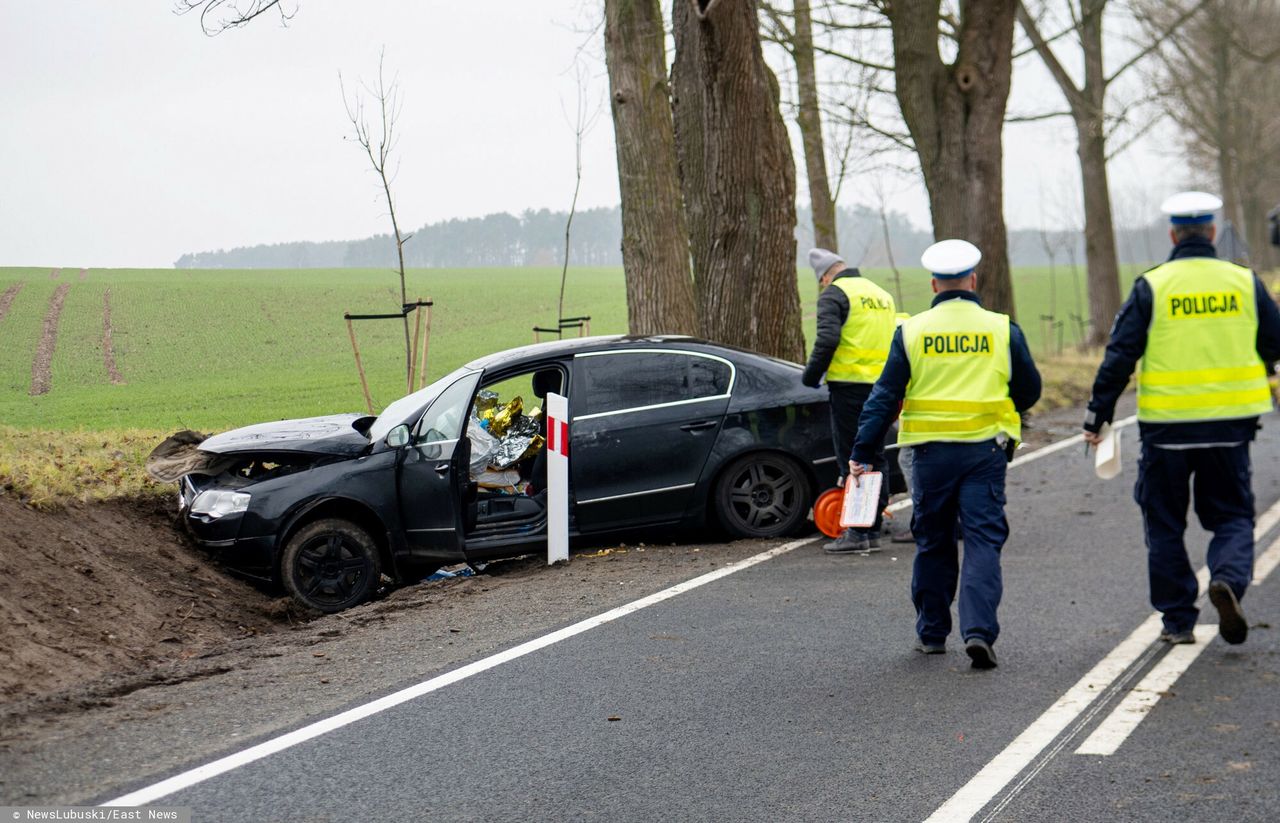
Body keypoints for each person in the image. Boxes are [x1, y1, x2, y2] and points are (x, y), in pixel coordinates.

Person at [1083, 191, 1280, 646]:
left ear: (1173, 234)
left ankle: (1177, 620)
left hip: (1166, 429)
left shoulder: (1153, 285)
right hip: (1231, 427)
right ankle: (1228, 577)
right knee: (1232, 515)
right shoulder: (1243, 282)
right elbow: (1275, 340)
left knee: (1165, 522)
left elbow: (1120, 356)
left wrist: (1098, 415)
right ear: (1212, 233)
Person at [848, 239, 1041, 669]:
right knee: (982, 541)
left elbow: (884, 397)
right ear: (973, 280)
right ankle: (979, 632)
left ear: (934, 283)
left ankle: (933, 633)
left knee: (933, 541)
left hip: (931, 456)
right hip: (985, 453)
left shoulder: (912, 331)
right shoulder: (1000, 328)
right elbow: (1029, 389)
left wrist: (862, 450)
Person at [801, 248, 897, 554]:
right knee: (876, 453)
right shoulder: (880, 294)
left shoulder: (835, 294)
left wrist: (810, 376)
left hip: (850, 387)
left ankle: (857, 531)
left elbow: (827, 339)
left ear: (826, 276)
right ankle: (873, 526)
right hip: (883, 387)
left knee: (853, 456)